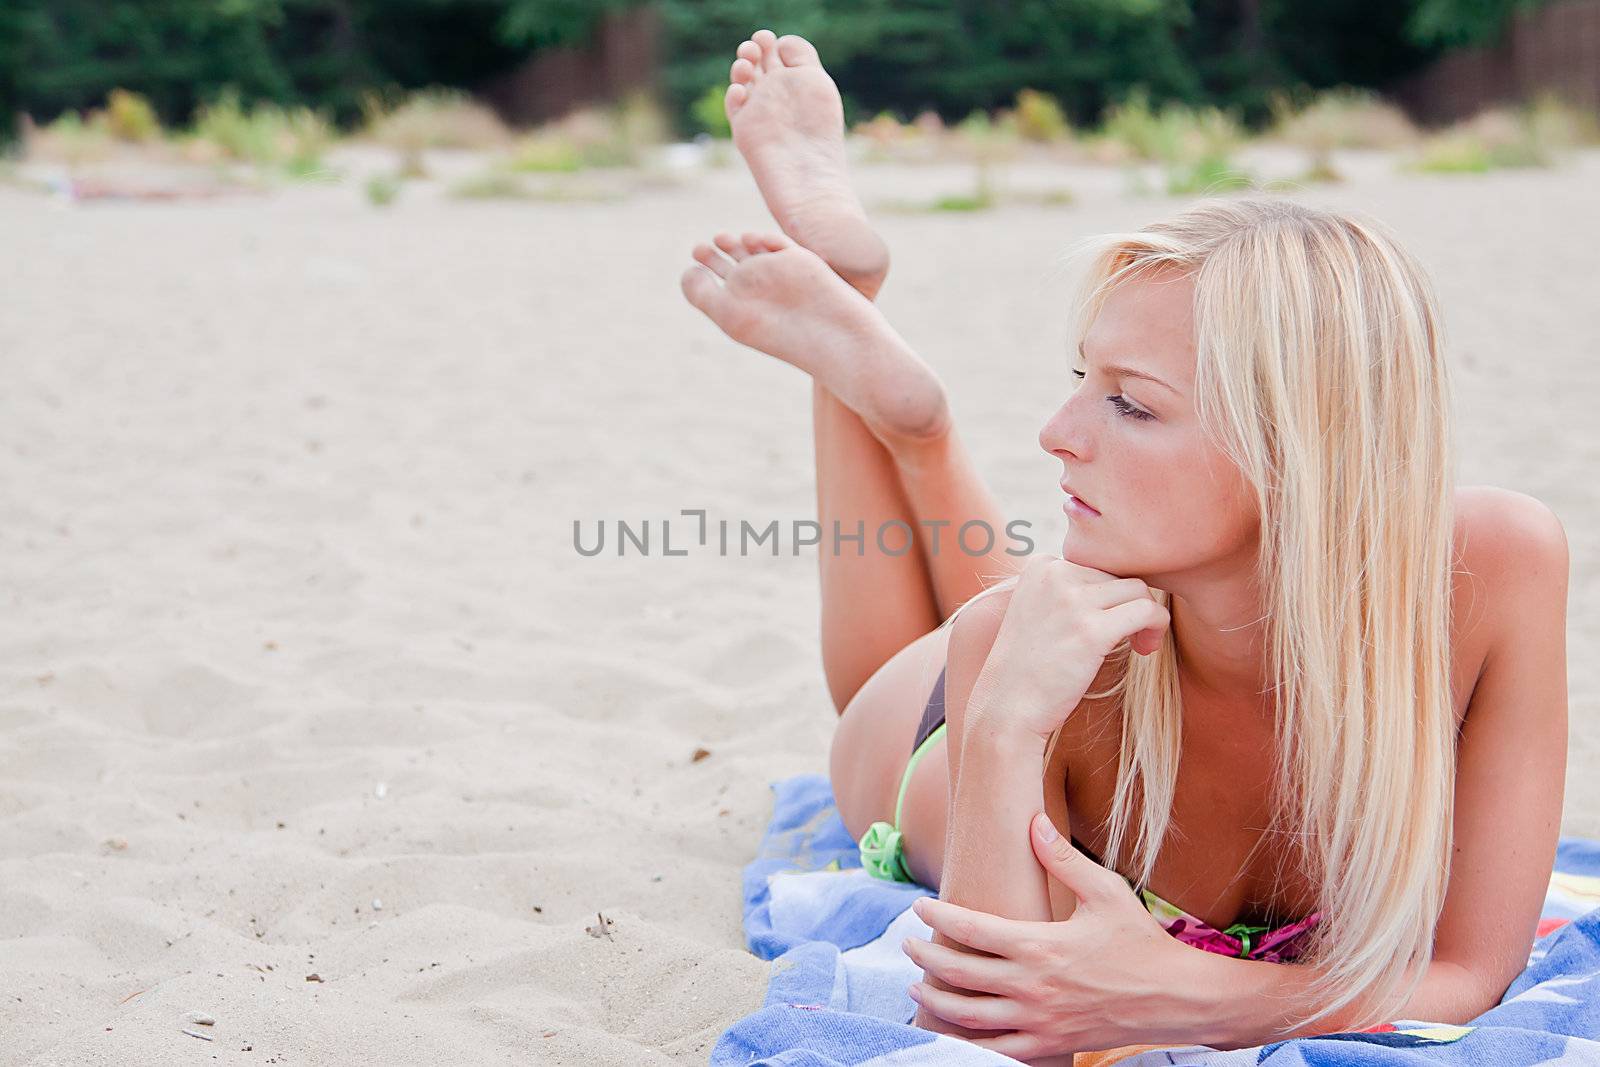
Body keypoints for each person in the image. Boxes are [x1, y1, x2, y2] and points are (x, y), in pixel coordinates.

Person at [680, 29, 1571, 1064]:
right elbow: (993, 1028)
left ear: (1300, 453)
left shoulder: (1493, 569)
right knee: (915, 663)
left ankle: (917, 422)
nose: (1057, 433)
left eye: (1129, 404)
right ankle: (883, 380)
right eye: (1079, 379)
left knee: (1034, 614)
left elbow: (1468, 974)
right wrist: (1004, 719)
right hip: (949, 725)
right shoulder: (1005, 643)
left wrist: (1196, 993)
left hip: (1072, 641)